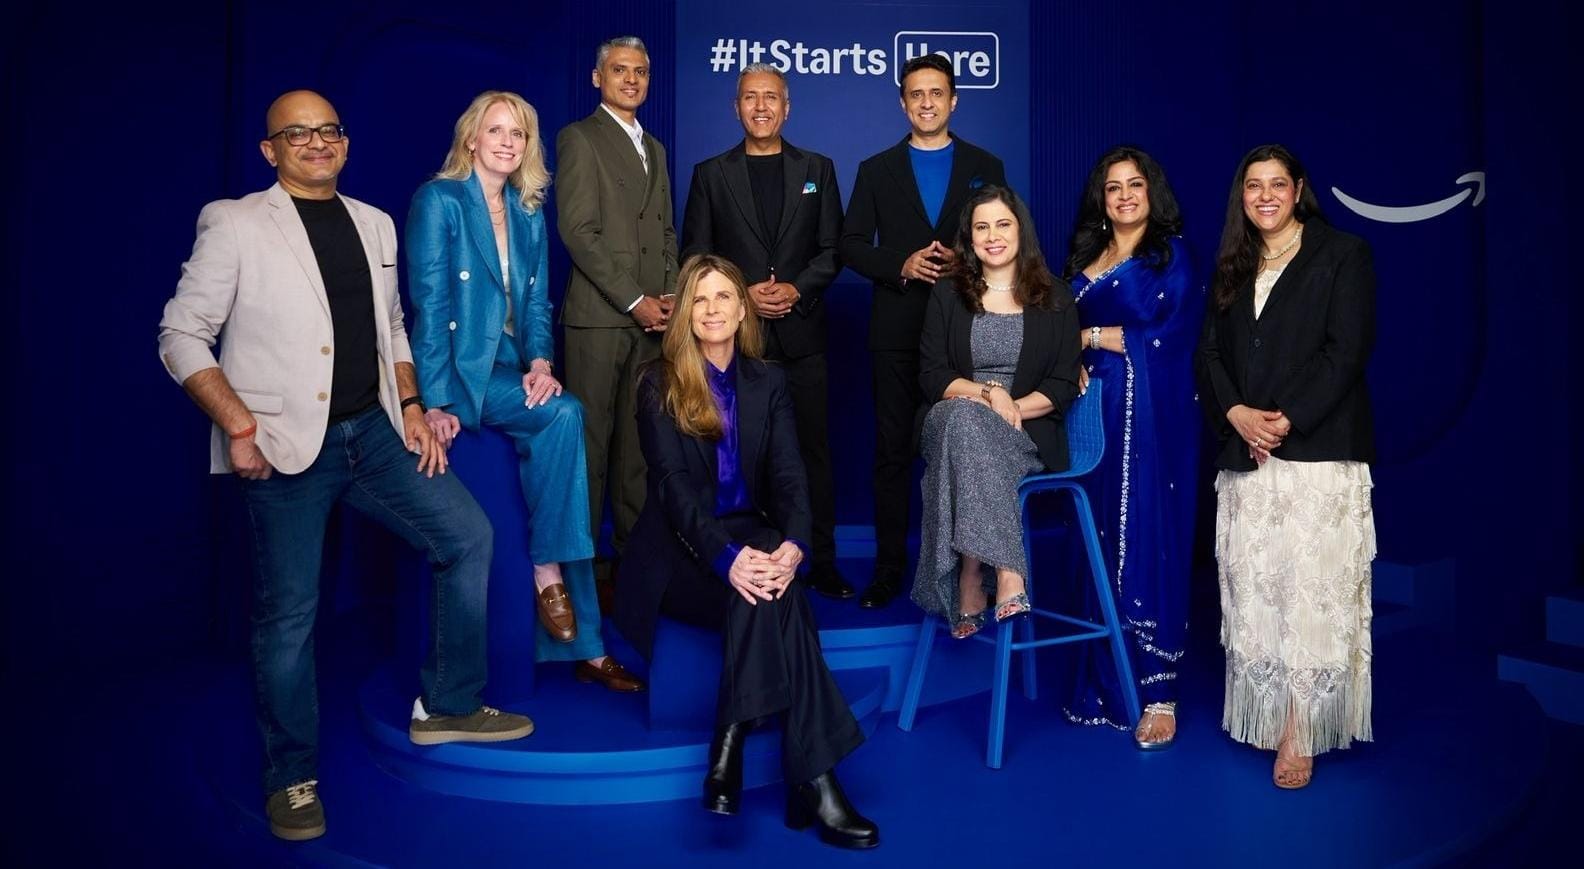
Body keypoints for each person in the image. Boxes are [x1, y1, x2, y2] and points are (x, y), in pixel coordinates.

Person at [157, 90, 532, 842]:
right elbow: (180, 334)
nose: (317, 142)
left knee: (467, 535)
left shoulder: (374, 222)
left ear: (346, 143)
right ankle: (290, 776)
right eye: (297, 133)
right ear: (270, 150)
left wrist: (413, 405)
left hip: (374, 434)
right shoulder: (234, 222)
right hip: (282, 447)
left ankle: (448, 704)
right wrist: (238, 424)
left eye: (329, 129)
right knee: (289, 615)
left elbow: (391, 325)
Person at [614, 254, 879, 849]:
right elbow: (673, 491)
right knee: (777, 597)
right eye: (699, 298)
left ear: (742, 311)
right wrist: (726, 558)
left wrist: (795, 546)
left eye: (723, 297)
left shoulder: (768, 381)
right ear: (685, 312)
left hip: (750, 538)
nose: (712, 309)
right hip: (678, 555)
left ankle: (734, 750)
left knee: (774, 582)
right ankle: (810, 779)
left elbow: (789, 475)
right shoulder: (658, 381)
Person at [406, 90, 643, 692]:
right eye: (496, 130)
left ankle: (562, 595)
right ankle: (556, 588)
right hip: (462, 373)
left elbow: (537, 301)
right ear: (471, 139)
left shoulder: (527, 209)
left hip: (511, 368)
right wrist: (434, 400)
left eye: (519, 133)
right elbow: (429, 307)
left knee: (564, 415)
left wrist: (541, 361)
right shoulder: (439, 201)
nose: (508, 142)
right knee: (565, 427)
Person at [1195, 144, 1376, 789]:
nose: (1265, 196)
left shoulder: (1343, 254)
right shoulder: (1233, 264)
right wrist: (1238, 414)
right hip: (1246, 456)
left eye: (1277, 184)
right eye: (1253, 185)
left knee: (1312, 595)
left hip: (1316, 455)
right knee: (1257, 592)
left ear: (1299, 189)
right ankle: (1269, 711)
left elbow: (1346, 350)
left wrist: (1283, 419)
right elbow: (1209, 355)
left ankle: (1303, 729)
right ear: (1241, 196)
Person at [840, 54, 1007, 608]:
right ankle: (889, 569)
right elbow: (850, 245)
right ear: (903, 103)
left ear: (953, 100)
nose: (927, 103)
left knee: (965, 452)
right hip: (895, 331)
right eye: (916, 94)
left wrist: (968, 260)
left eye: (937, 93)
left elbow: (1006, 237)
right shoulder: (876, 169)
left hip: (965, 332)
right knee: (892, 452)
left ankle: (970, 571)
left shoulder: (985, 164)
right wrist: (902, 265)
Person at [680, 63, 851, 600]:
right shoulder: (711, 174)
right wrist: (740, 294)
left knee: (811, 451)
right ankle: (745, 555)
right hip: (736, 341)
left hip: (803, 335)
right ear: (736, 108)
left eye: (771, 97)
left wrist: (797, 289)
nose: (761, 107)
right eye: (750, 97)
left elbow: (833, 249)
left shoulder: (817, 169)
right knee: (739, 452)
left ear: (787, 106)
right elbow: (695, 254)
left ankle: (820, 560)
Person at [1059, 146, 1203, 749]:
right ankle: (1106, 679)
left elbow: (1177, 337)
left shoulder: (1169, 257)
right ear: (1101, 198)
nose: (1123, 196)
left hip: (1150, 419)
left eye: (1134, 185)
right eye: (1113, 187)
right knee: (1096, 539)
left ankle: (1159, 691)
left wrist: (1091, 335)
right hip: (1091, 417)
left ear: (1151, 192)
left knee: (1148, 534)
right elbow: (1058, 330)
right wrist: (1074, 349)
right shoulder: (1085, 257)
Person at [914, 185, 1081, 640]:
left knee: (972, 428)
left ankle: (971, 574)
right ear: (969, 238)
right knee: (963, 419)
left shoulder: (1056, 297)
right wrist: (990, 395)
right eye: (981, 227)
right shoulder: (948, 293)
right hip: (951, 417)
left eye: (1003, 225)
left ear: (1020, 230)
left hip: (1024, 429)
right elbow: (932, 375)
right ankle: (1008, 571)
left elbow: (1063, 384)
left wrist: (1009, 408)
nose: (993, 236)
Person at [556, 35, 678, 602]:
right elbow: (579, 232)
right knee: (590, 452)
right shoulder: (579, 138)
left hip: (653, 321)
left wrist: (669, 296)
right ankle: (580, 577)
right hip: (600, 321)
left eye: (641, 72)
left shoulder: (655, 146)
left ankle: (632, 570)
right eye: (620, 70)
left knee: (637, 453)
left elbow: (668, 232)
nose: (632, 80)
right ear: (597, 78)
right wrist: (635, 300)